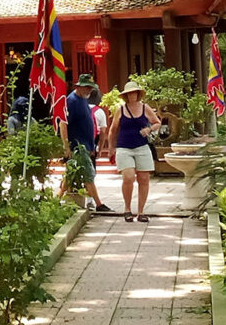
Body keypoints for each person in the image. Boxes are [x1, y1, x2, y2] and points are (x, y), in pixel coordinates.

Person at [106, 79, 162, 223]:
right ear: (126, 96)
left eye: (134, 93)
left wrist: (149, 129)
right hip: (124, 147)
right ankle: (127, 208)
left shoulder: (145, 108)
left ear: (138, 94)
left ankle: (141, 211)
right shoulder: (121, 110)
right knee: (128, 177)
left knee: (144, 179)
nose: (132, 96)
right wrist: (111, 147)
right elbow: (113, 129)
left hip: (142, 146)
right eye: (129, 94)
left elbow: (157, 122)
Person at [65, 74, 111, 211]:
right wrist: (66, 145)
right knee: (88, 175)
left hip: (86, 144)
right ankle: (99, 204)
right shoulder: (71, 101)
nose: (89, 90)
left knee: (70, 176)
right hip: (77, 145)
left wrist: (92, 146)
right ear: (79, 86)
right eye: (87, 87)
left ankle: (56, 200)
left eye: (91, 88)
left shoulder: (83, 99)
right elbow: (64, 124)